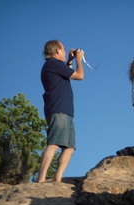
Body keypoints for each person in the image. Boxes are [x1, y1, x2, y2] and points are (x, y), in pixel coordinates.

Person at [38, 40, 84, 183]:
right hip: (59, 109)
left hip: (65, 110)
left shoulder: (55, 66)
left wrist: (69, 60)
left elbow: (67, 73)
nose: (65, 52)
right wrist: (78, 60)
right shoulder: (53, 63)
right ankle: (41, 179)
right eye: (63, 49)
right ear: (57, 51)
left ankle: (57, 179)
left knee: (69, 147)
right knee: (54, 143)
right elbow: (79, 76)